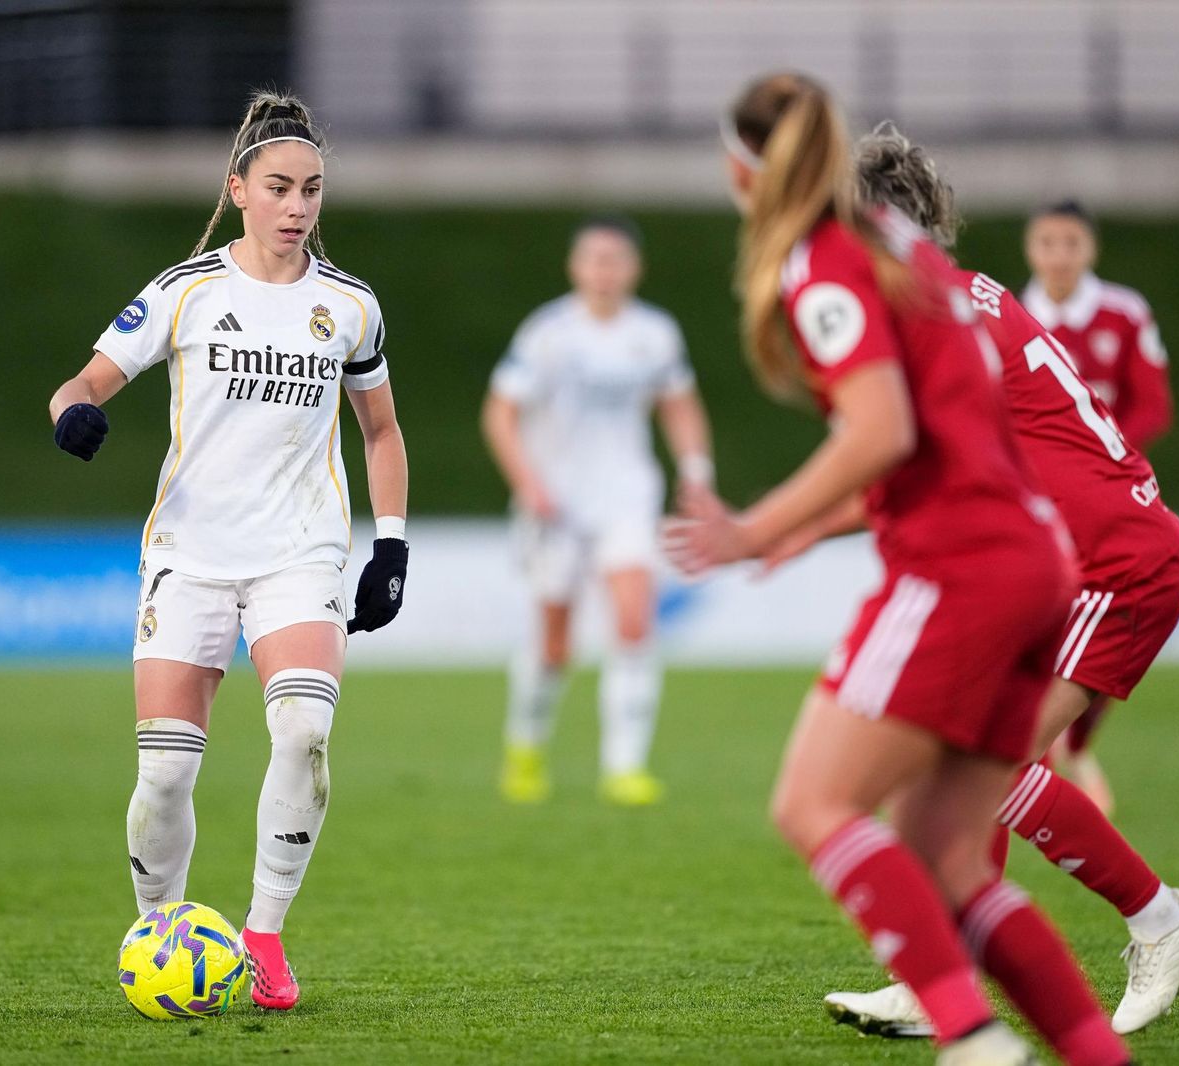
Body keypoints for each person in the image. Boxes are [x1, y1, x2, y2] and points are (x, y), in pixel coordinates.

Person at [666, 72, 1131, 1066]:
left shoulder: (824, 262)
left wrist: (755, 526)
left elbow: (881, 429)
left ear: (740, 169)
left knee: (810, 803)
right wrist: (804, 528)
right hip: (1038, 562)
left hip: (959, 566)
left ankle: (970, 1040)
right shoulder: (905, 252)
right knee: (954, 859)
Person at [816, 124, 1179, 1042]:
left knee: (982, 768)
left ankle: (1163, 918)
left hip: (1116, 563)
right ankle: (939, 982)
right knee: (970, 759)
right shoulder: (967, 297)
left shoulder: (935, 319)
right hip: (1075, 559)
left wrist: (772, 529)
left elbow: (890, 463)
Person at [46, 90, 409, 1012]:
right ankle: (158, 932)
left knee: (305, 732)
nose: (298, 207)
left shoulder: (350, 307)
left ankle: (265, 934)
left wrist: (390, 546)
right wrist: (76, 414)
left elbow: (382, 431)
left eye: (314, 190)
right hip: (192, 554)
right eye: (280, 188)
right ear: (238, 188)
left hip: (300, 553)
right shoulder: (186, 290)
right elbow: (85, 379)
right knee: (166, 772)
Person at [482, 217, 713, 806]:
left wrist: (695, 473)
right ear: (575, 267)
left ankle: (624, 767)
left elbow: (679, 406)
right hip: (556, 501)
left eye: (616, 259)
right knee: (554, 642)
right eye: (594, 259)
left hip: (626, 496)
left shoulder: (655, 334)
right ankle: (526, 746)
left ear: (633, 267)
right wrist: (528, 482)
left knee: (635, 620)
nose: (605, 271)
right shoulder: (549, 333)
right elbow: (499, 414)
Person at [1023, 200, 1175, 808]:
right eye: (1047, 242)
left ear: (1091, 249)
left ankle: (1073, 744)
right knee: (1035, 622)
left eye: (1071, 242)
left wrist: (1100, 467)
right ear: (1030, 250)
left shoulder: (1124, 312)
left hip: (1108, 502)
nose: (1059, 254)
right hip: (1035, 505)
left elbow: (1153, 406)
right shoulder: (1008, 314)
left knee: (1109, 627)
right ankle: (1038, 748)